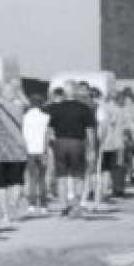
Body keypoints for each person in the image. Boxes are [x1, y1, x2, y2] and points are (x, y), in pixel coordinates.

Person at [43, 82, 99, 217]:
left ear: (64, 92)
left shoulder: (55, 108)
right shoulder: (84, 108)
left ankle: (64, 206)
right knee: (78, 176)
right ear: (76, 92)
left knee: (61, 177)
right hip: (77, 143)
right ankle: (76, 204)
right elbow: (90, 131)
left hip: (60, 143)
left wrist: (45, 147)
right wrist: (92, 149)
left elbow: (49, 130)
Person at [0, 80, 29, 223]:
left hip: (0, 151)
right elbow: (27, 103)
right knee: (17, 181)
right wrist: (18, 90)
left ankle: (5, 213)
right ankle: (13, 203)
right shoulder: (19, 107)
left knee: (1, 184)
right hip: (18, 150)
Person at [22, 92, 52, 213]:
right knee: (42, 178)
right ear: (41, 104)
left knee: (32, 178)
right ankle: (44, 205)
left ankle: (32, 204)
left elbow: (23, 135)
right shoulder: (46, 117)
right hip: (42, 150)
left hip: (29, 150)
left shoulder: (24, 117)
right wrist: (45, 150)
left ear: (30, 104)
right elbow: (47, 135)